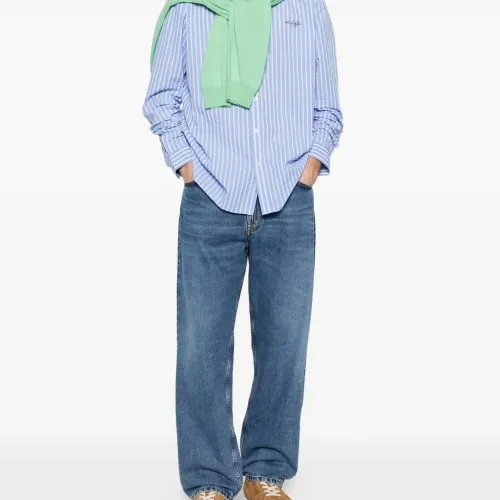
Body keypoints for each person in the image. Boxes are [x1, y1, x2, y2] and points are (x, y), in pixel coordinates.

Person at [143, 0, 343, 496]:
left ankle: (265, 472)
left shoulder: (305, 7)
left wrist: (311, 166)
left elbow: (327, 106)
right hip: (210, 194)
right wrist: (187, 164)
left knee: (285, 344)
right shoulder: (190, 8)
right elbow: (161, 97)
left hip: (287, 197)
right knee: (202, 347)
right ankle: (210, 481)